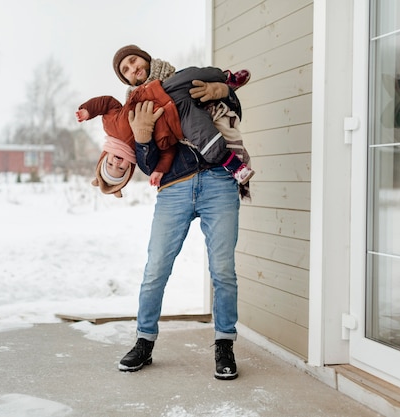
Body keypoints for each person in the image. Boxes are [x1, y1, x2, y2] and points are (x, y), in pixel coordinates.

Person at [113, 44, 243, 380]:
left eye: (133, 61)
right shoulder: (134, 108)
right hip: (174, 189)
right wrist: (143, 138)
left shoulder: (184, 80)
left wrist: (223, 90)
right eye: (124, 70)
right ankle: (144, 341)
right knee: (156, 268)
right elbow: (148, 165)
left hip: (219, 181)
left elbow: (232, 116)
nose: (131, 68)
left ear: (144, 59)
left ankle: (224, 344)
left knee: (223, 269)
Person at [76, 64, 253, 188]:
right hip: (179, 118)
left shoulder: (111, 125)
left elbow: (107, 102)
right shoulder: (140, 152)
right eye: (120, 169)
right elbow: (168, 151)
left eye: (110, 165)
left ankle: (228, 77)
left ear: (105, 157)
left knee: (192, 73)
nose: (116, 163)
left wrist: (88, 110)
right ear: (129, 169)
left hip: (163, 91)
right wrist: (160, 170)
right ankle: (236, 167)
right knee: (205, 139)